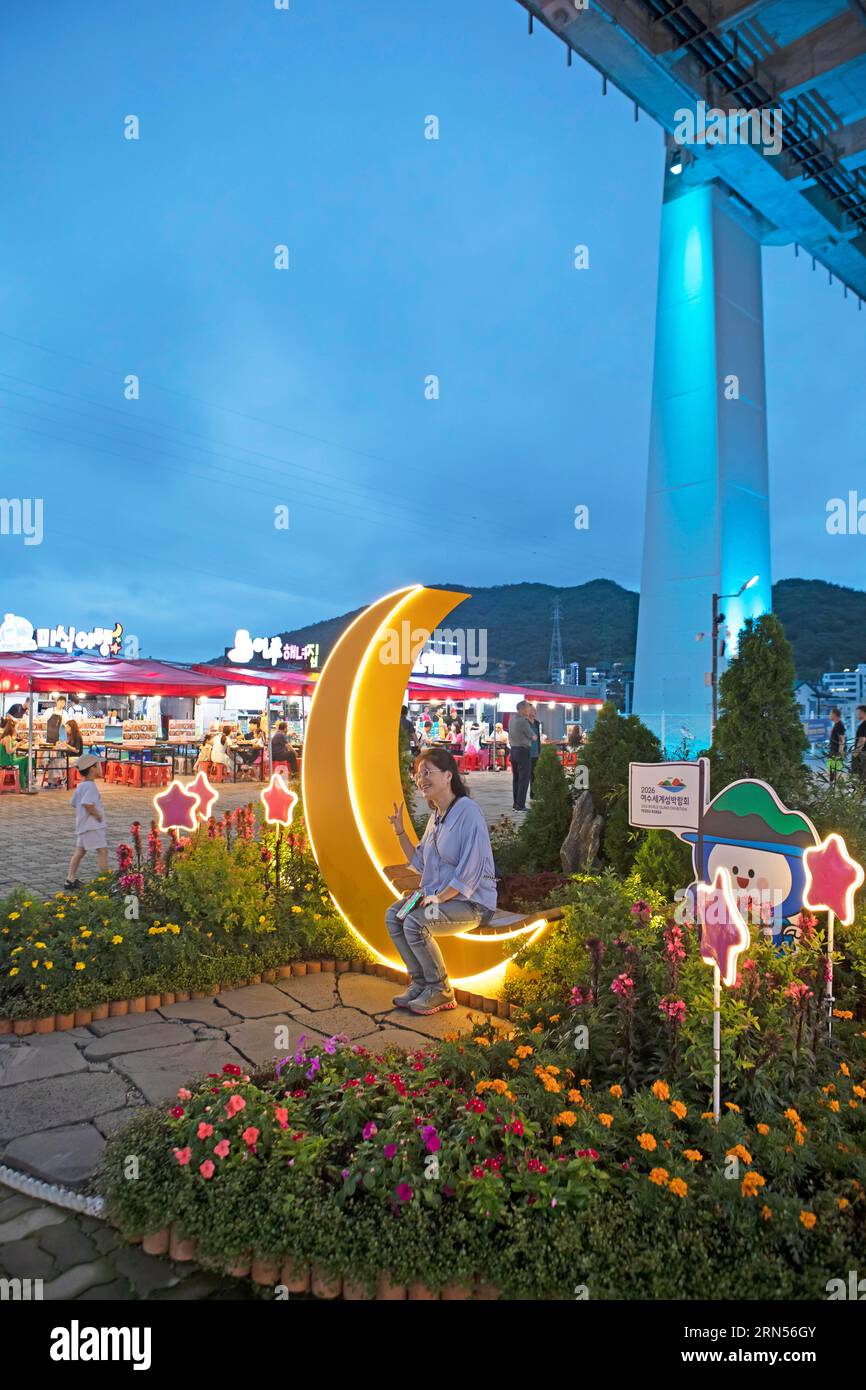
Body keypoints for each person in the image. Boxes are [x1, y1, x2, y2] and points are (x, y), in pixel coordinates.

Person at [386, 747, 497, 1015]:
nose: (421, 779)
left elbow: (472, 869)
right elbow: (422, 863)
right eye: (418, 774)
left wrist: (438, 898)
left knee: (415, 922)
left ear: (448, 776)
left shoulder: (468, 812)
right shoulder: (436, 817)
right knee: (394, 915)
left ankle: (441, 990)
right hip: (442, 897)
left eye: (427, 772)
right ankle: (420, 983)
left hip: (472, 903)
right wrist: (400, 831)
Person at [64, 753, 108, 888]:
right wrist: (97, 815)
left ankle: (70, 879)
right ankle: (105, 879)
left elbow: (73, 802)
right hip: (92, 826)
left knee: (80, 852)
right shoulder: (91, 786)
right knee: (102, 850)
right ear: (92, 769)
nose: (101, 768)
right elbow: (87, 803)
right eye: (98, 765)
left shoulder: (81, 786)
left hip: (83, 826)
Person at [508, 701, 535, 812]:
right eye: (528, 708)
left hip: (513, 750)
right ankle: (520, 805)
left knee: (516, 778)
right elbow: (533, 736)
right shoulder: (523, 722)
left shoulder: (511, 720)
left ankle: (516, 803)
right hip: (523, 751)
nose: (529, 711)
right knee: (524, 779)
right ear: (522, 709)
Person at [0, 715, 28, 790]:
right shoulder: (7, 738)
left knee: (26, 760)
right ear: (12, 729)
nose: (17, 730)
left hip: (8, 760)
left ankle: (24, 782)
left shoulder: (8, 737)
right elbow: (9, 751)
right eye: (16, 728)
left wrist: (19, 743)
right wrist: (17, 745)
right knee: (26, 761)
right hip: (7, 761)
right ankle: (24, 782)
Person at [828, 707, 847, 785]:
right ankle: (833, 786)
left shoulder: (839, 725)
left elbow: (842, 740)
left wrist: (840, 752)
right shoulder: (836, 724)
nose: (829, 715)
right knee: (832, 770)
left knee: (836, 770)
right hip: (833, 750)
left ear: (834, 715)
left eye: (830, 713)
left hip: (836, 752)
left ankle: (837, 788)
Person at [527, 702, 543, 795]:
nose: (535, 711)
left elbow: (538, 738)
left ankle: (534, 793)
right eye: (533, 710)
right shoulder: (524, 722)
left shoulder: (537, 723)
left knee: (535, 774)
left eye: (535, 710)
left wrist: (539, 750)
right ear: (528, 711)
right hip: (527, 752)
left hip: (536, 751)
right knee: (526, 775)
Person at [852, 706, 866, 785]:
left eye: (858, 712)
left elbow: (862, 740)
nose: (857, 714)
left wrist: (855, 753)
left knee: (861, 777)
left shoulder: (864, 725)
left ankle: (861, 795)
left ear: (863, 713)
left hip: (862, 754)